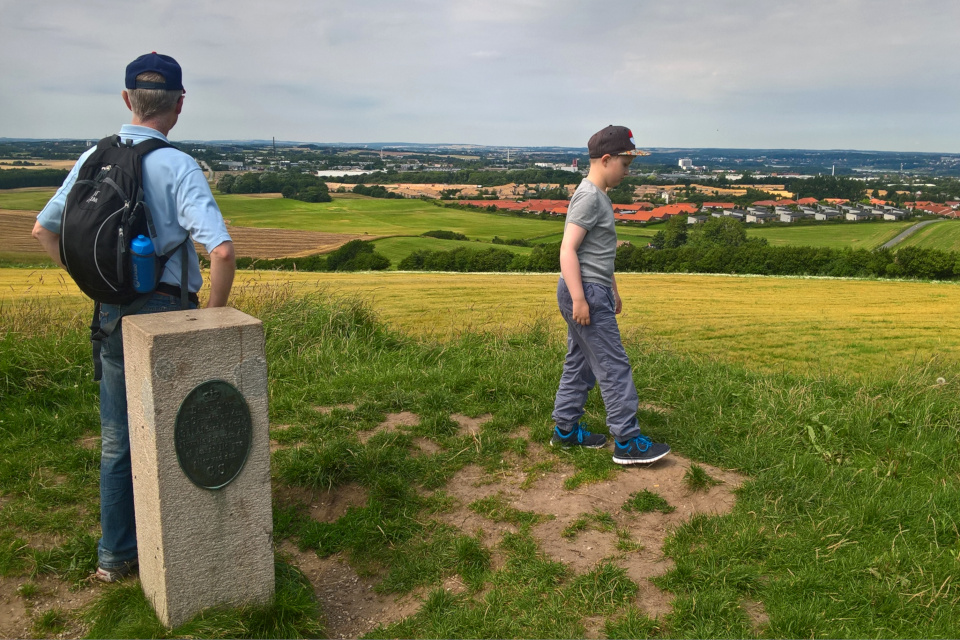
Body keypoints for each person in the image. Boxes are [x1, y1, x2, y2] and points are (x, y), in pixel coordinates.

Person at [32, 52, 236, 582]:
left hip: (109, 311)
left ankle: (116, 556)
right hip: (167, 308)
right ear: (179, 104)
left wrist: (95, 285)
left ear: (127, 100)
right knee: (179, 430)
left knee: (118, 438)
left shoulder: (93, 158)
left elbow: (44, 231)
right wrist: (211, 320)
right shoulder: (178, 165)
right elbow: (221, 251)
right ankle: (183, 545)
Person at [550, 125, 670, 465]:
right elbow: (568, 250)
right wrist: (580, 298)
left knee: (581, 363)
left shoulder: (597, 195)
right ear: (606, 159)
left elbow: (597, 252)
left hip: (592, 288)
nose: (628, 173)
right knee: (613, 365)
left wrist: (612, 289)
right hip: (584, 290)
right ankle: (627, 441)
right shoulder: (589, 197)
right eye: (625, 164)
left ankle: (565, 430)